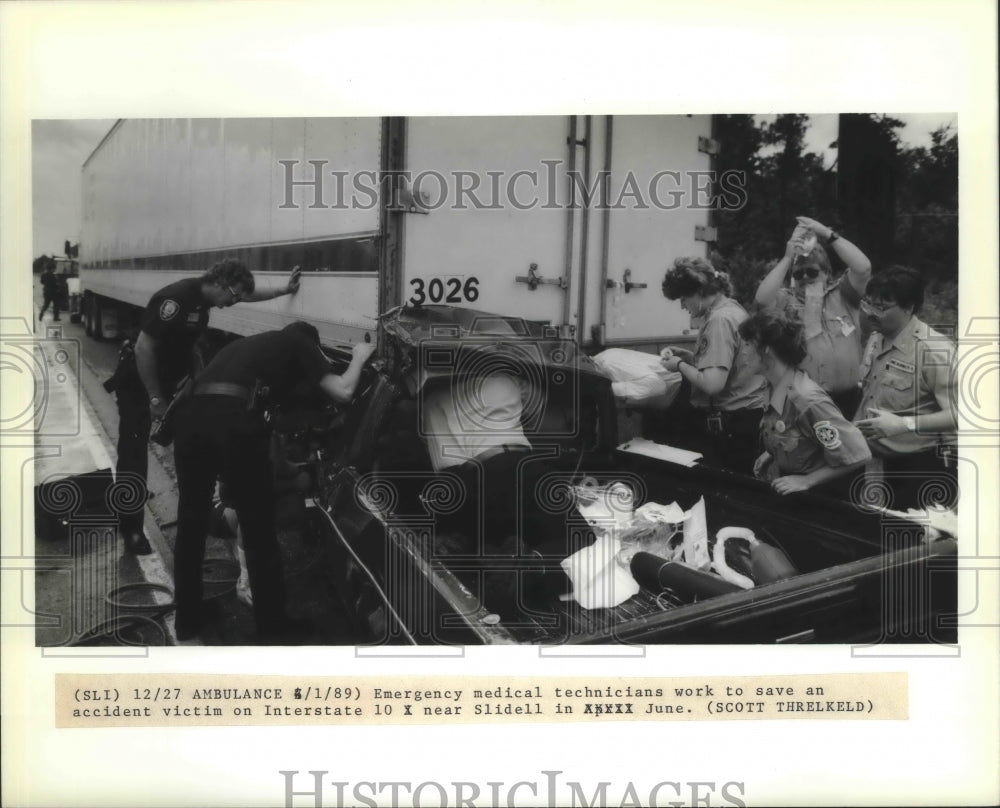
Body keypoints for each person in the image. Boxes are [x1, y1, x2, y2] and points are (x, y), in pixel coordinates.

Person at [171, 322, 375, 642]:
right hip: (232, 422)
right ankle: (274, 628)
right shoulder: (300, 344)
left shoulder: (246, 348)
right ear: (314, 346)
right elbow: (343, 391)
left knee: (190, 522)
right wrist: (360, 357)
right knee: (258, 529)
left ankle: (187, 619)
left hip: (187, 420)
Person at [112, 258, 300, 554]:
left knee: (193, 444)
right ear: (219, 283)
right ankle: (131, 529)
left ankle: (198, 513)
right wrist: (155, 399)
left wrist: (283, 289)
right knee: (134, 454)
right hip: (138, 383)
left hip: (172, 382)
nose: (235, 303)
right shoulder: (174, 299)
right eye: (233, 296)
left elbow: (249, 294)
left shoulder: (207, 298)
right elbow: (143, 348)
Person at [853, 266, 958, 511]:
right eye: (869, 304)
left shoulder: (934, 351)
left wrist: (905, 424)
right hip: (875, 463)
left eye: (882, 307)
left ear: (908, 307)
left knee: (910, 542)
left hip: (920, 468)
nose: (872, 313)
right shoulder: (877, 337)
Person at [738, 310, 871, 497]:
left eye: (747, 344)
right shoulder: (775, 386)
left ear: (765, 349)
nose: (742, 351)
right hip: (796, 491)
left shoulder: (806, 400)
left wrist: (807, 481)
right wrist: (772, 453)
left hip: (823, 498)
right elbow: (797, 435)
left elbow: (859, 455)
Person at [755, 216, 872, 417]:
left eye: (812, 271)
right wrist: (787, 258)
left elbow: (863, 268)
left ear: (826, 273)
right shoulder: (785, 300)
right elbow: (762, 300)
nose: (805, 277)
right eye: (798, 274)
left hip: (849, 400)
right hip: (802, 401)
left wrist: (828, 234)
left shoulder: (843, 295)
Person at [659, 257, 767, 474]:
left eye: (684, 297)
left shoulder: (718, 320)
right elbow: (733, 364)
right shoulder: (734, 309)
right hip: (747, 420)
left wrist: (678, 364)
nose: (682, 305)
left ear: (699, 291)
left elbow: (712, 384)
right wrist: (691, 358)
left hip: (730, 426)